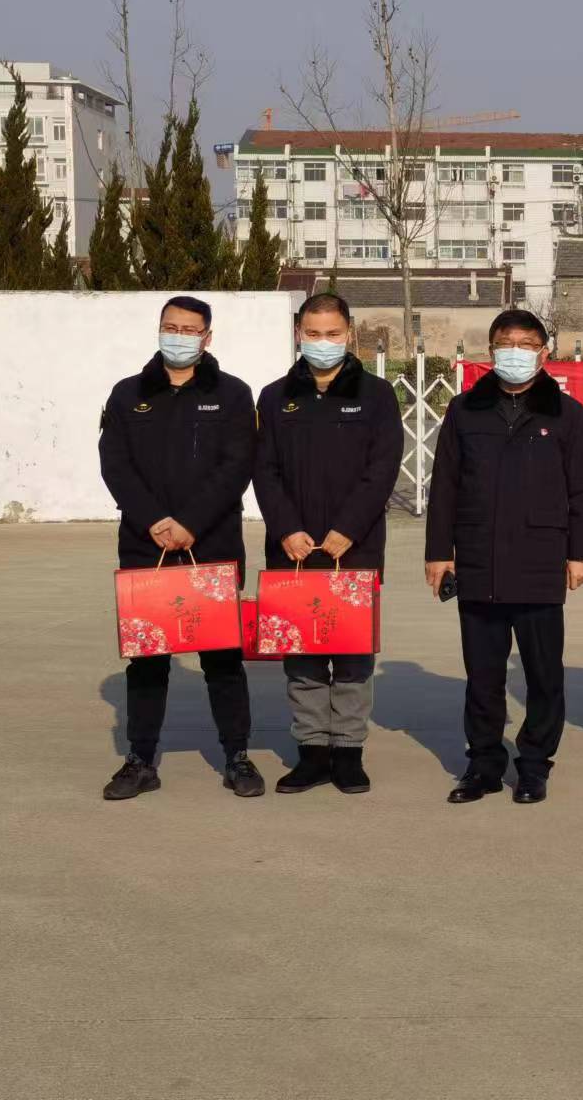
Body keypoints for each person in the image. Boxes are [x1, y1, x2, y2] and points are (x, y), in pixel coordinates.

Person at [425, 309, 583, 805]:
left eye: (526, 344)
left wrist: (580, 553)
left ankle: (534, 764)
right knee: (483, 673)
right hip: (478, 558)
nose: (515, 353)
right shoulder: (465, 410)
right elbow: (445, 487)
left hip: (540, 558)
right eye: (506, 343)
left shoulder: (567, 414)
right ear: (491, 350)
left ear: (544, 353)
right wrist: (439, 553)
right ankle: (483, 764)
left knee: (544, 673)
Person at [98, 296, 261, 800]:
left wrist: (190, 523)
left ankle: (237, 755)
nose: (179, 336)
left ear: (207, 337)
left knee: (222, 657)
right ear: (159, 329)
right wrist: (154, 521)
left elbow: (236, 465)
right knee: (148, 659)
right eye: (171, 327)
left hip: (211, 543)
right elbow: (115, 464)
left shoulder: (232, 394)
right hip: (144, 545)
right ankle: (140, 760)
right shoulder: (128, 394)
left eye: (190, 329)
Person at [252, 294, 401, 796]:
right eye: (313, 334)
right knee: (303, 657)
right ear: (299, 334)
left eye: (332, 333)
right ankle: (312, 752)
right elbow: (264, 470)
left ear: (349, 334)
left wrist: (348, 528)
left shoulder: (376, 395)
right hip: (292, 550)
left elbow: (382, 468)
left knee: (353, 654)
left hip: (354, 548)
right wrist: (286, 528)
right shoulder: (275, 397)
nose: (323, 342)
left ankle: (349, 751)